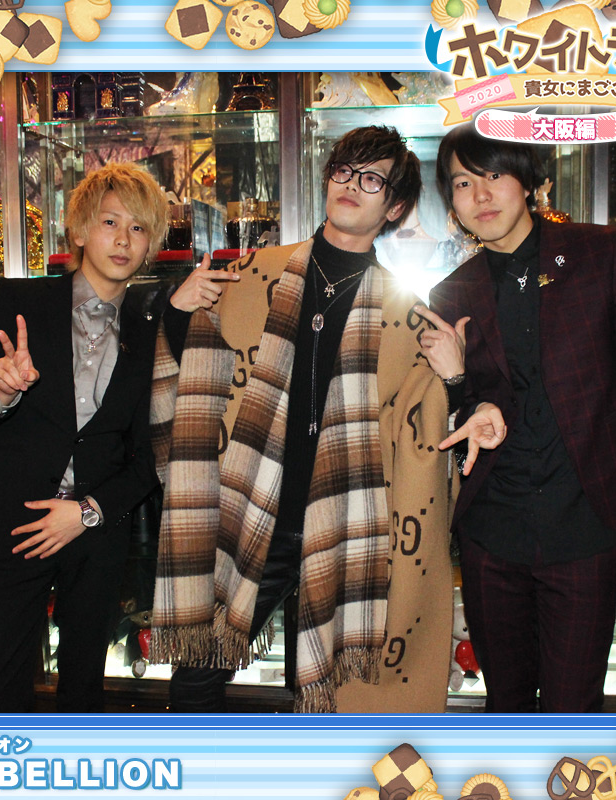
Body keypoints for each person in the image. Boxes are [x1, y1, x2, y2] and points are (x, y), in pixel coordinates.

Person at [149, 125, 455, 713]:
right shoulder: (253, 272)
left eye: (373, 180)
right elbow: (195, 370)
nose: (352, 185)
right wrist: (177, 311)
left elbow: (434, 423)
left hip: (344, 529)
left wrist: (458, 379)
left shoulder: (407, 313)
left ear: (394, 207)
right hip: (249, 513)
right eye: (344, 170)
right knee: (195, 682)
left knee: (320, 693)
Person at [428, 125, 616, 713]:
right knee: (505, 703)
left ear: (528, 182)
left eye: (495, 175)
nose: (481, 195)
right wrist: (464, 395)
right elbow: (453, 414)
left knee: (573, 704)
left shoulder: (600, 253)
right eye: (463, 183)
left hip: (583, 523)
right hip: (492, 532)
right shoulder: (451, 294)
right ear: (451, 202)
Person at [0, 162, 170, 712]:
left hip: (96, 532)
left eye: (138, 228)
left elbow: (151, 453)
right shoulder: (19, 302)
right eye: (110, 222)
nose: (123, 239)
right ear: (78, 230)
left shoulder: (153, 331)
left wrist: (88, 512)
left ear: (151, 245)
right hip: (15, 521)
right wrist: (2, 392)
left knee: (84, 689)